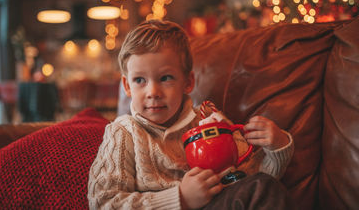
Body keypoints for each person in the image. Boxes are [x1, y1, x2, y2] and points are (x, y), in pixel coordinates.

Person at [88, 19, 295, 210]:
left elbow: (251, 181)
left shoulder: (209, 121)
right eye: (140, 80)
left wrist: (277, 148)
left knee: (262, 186)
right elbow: (103, 202)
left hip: (219, 204)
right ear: (127, 86)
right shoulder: (123, 133)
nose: (152, 93)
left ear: (188, 82)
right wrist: (180, 198)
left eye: (165, 78)